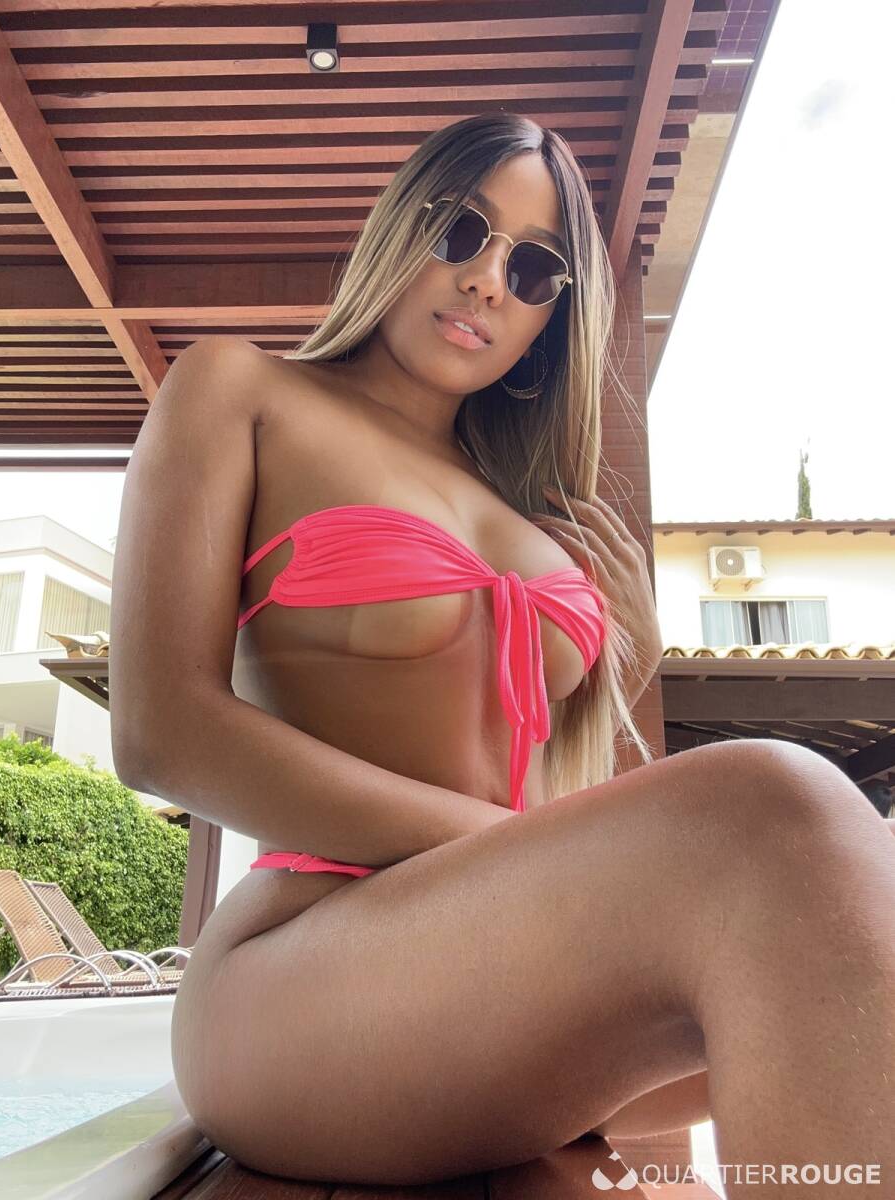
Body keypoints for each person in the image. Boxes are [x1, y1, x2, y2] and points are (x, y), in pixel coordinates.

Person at [109, 114, 895, 1193]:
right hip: (300, 975)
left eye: (532, 269)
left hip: (504, 980)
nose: (486, 280)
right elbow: (161, 733)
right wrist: (507, 851)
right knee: (780, 801)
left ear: (549, 316)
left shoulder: (535, 518)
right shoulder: (240, 391)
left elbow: (563, 790)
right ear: (400, 225)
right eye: (461, 231)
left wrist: (627, 663)